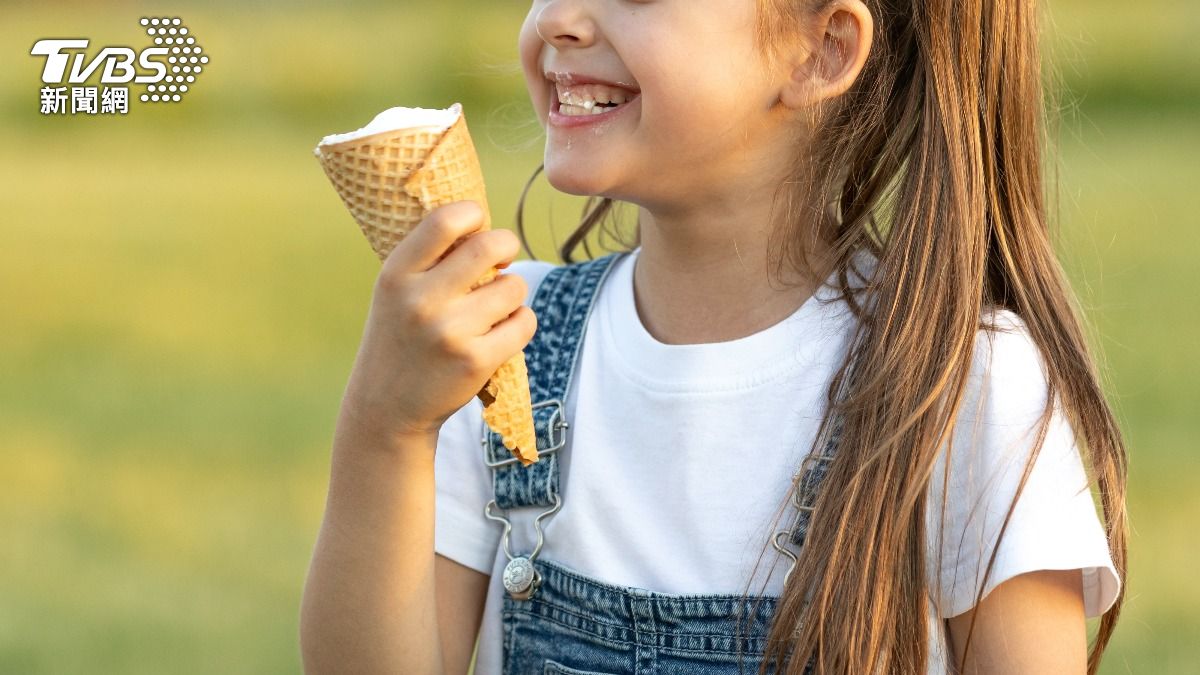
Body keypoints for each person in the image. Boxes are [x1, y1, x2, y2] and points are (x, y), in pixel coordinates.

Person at [299, 0, 1127, 673]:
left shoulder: (964, 381)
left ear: (820, 51)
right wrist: (386, 428)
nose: (559, 19)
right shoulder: (504, 339)